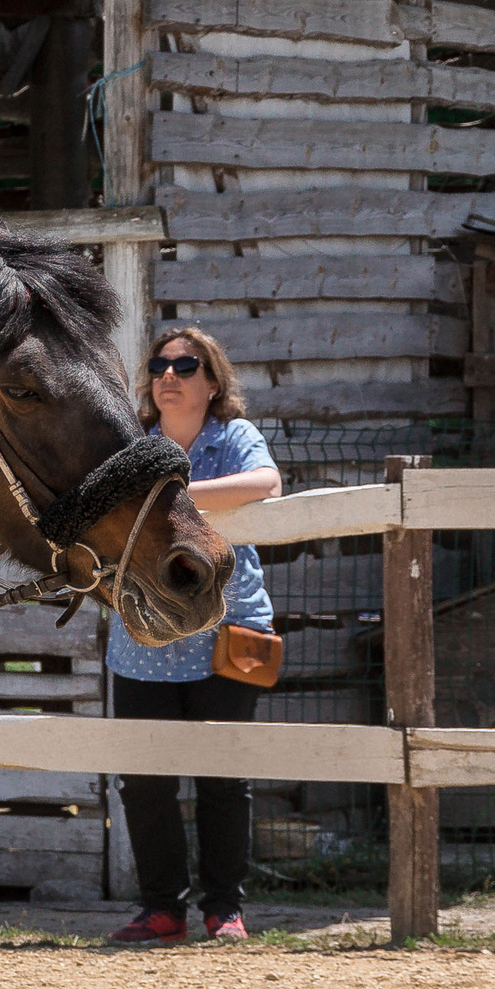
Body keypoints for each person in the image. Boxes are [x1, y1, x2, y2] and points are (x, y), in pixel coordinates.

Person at [106, 327, 282, 946]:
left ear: (212, 382)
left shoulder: (233, 437)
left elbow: (265, 483)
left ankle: (224, 909)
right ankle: (162, 910)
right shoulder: (132, 441)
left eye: (185, 366)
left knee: (224, 777)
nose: (168, 376)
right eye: (159, 365)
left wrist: (170, 498)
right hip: (144, 630)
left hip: (228, 629)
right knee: (145, 781)